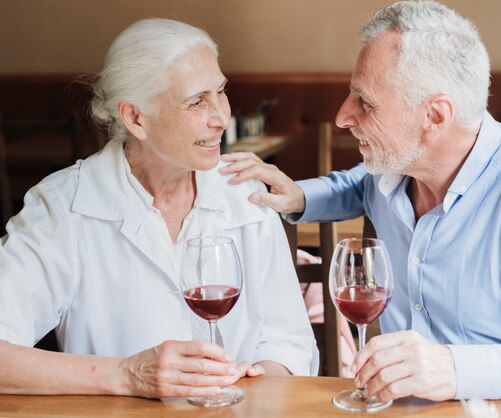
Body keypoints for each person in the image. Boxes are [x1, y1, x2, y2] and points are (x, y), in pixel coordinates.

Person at [221, 0, 501, 402]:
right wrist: (299, 194)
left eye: (365, 101)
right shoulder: (395, 167)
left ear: (435, 116)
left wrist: (454, 369)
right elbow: (356, 184)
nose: (343, 116)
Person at [0, 18, 317, 398]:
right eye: (197, 101)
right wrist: (126, 376)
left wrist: (253, 383)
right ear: (135, 118)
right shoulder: (62, 208)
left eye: (220, 92)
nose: (221, 117)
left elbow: (290, 342)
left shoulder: (245, 192)